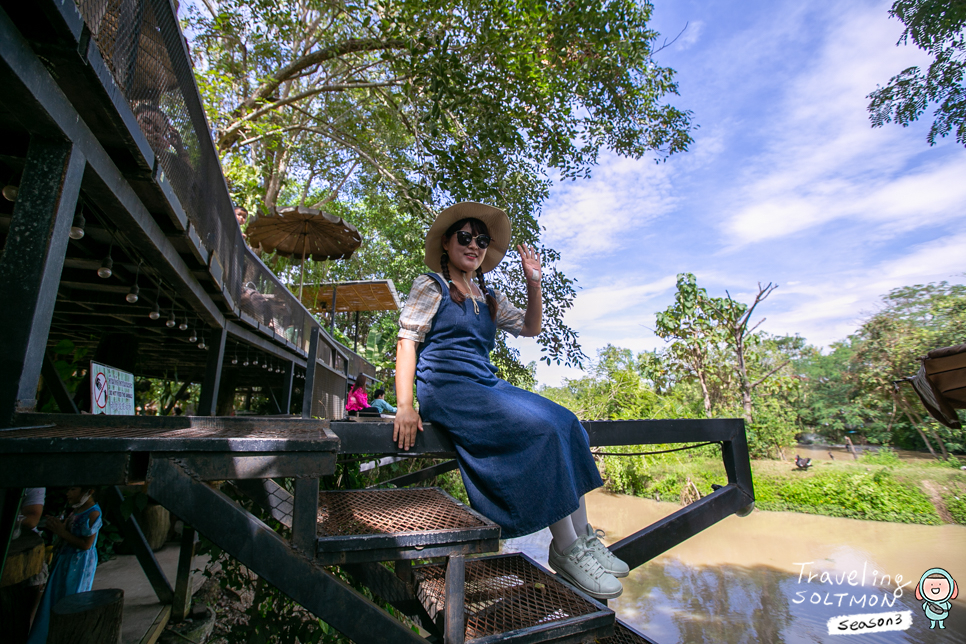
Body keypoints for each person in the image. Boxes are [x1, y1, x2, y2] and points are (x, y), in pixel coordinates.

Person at [394, 202, 627, 600]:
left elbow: (531, 327)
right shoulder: (430, 286)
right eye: (465, 237)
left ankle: (584, 538)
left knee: (566, 422)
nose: (474, 246)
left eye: (481, 240)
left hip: (484, 383)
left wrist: (533, 283)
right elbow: (407, 341)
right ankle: (566, 548)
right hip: (448, 388)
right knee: (538, 430)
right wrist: (404, 405)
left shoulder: (489, 295)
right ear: (447, 243)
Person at [27, 487, 103, 644]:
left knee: (71, 600)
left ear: (88, 490)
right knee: (54, 598)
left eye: (73, 489)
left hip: (78, 566)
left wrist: (61, 532)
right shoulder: (76, 510)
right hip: (64, 562)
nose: (68, 493)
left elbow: (86, 545)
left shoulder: (93, 513)